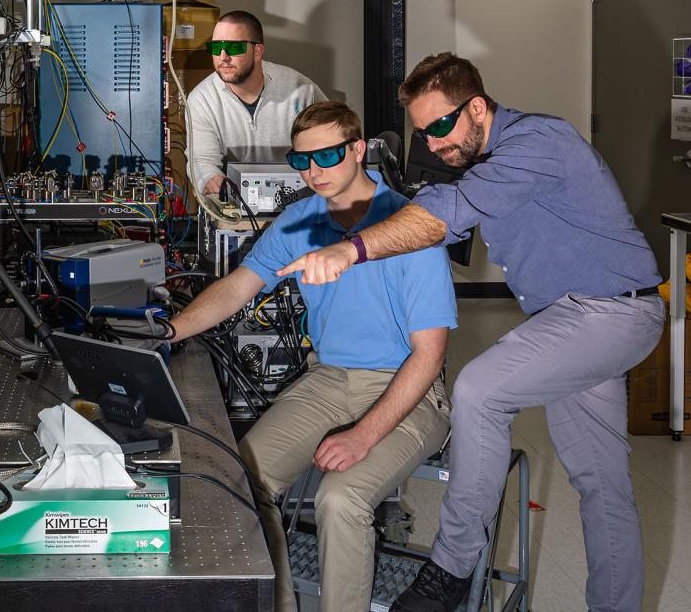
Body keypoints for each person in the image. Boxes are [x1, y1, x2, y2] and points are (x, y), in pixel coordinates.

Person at [277, 54, 664, 612]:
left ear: (477, 107)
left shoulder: (538, 142)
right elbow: (437, 208)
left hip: (611, 314)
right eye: (422, 133)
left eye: (440, 126)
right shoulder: (483, 158)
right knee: (603, 486)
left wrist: (351, 248)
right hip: (575, 321)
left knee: (480, 389)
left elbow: (447, 212)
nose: (433, 144)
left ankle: (450, 571)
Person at [171, 101, 457, 612]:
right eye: (302, 161)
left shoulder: (410, 229)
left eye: (327, 156)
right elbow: (237, 289)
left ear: (356, 149)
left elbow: (429, 356)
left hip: (409, 389)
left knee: (340, 498)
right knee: (241, 480)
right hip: (328, 380)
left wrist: (362, 435)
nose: (314, 172)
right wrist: (168, 332)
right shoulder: (300, 220)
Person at [186, 10, 328, 195]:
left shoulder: (300, 90)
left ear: (258, 51)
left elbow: (331, 142)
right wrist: (211, 180)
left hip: (298, 202)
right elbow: (201, 160)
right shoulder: (202, 99)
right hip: (235, 206)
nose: (223, 57)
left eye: (234, 48)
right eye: (215, 47)